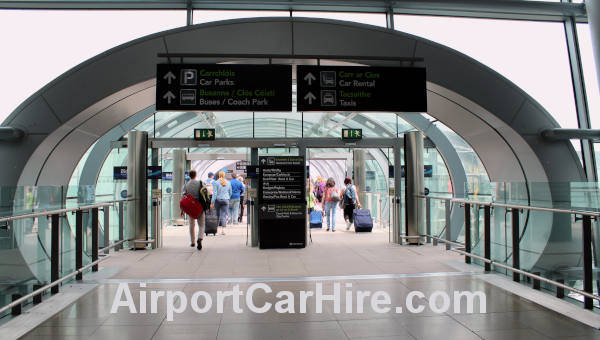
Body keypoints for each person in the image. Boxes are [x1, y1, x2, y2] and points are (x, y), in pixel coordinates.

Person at [182, 170, 205, 250]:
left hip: (190, 207)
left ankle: (192, 242)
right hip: (199, 206)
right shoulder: (200, 183)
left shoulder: (186, 184)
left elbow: (184, 196)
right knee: (201, 225)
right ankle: (200, 238)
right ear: (196, 175)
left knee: (191, 225)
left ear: (189, 175)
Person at [211, 171, 232, 235]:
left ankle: (216, 231)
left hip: (218, 200)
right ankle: (223, 230)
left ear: (218, 175)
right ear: (224, 175)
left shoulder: (215, 182)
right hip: (226, 200)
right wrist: (228, 198)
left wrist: (212, 202)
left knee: (217, 215)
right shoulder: (228, 182)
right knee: (223, 215)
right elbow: (230, 192)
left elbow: (214, 193)